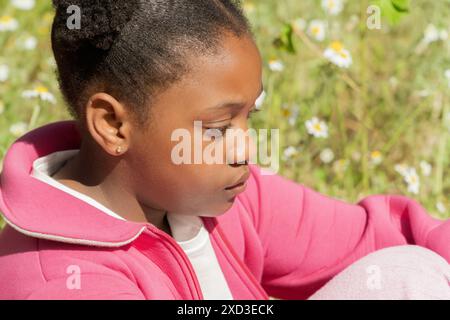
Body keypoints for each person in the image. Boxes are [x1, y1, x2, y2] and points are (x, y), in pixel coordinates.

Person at [0, 0, 448, 300]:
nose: (244, 149)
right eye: (216, 128)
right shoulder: (61, 283)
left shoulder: (220, 196)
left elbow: (382, 238)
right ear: (114, 124)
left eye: (249, 116)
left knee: (410, 272)